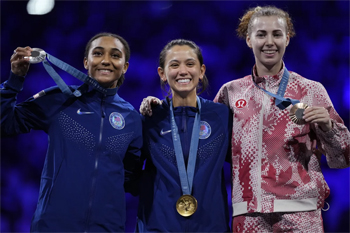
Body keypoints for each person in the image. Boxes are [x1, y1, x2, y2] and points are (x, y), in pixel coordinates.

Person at [140, 6, 350, 232]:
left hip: (300, 215)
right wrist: (163, 107)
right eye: (261, 34)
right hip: (248, 216)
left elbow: (343, 158)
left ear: (287, 39)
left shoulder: (311, 90)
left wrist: (328, 127)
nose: (269, 41)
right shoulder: (231, 93)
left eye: (276, 34)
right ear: (249, 40)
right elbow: (198, 136)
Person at [1, 32, 142, 232]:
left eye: (115, 56)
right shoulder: (60, 100)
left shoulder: (132, 118)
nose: (106, 61)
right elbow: (4, 124)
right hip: (53, 226)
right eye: (98, 53)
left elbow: (130, 179)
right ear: (86, 62)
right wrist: (15, 80)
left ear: (125, 66)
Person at [135, 39, 232, 232]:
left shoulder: (222, 116)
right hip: (159, 228)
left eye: (190, 64)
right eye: (174, 65)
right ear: (162, 73)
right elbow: (130, 175)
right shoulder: (150, 118)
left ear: (201, 71)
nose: (183, 71)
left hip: (210, 228)